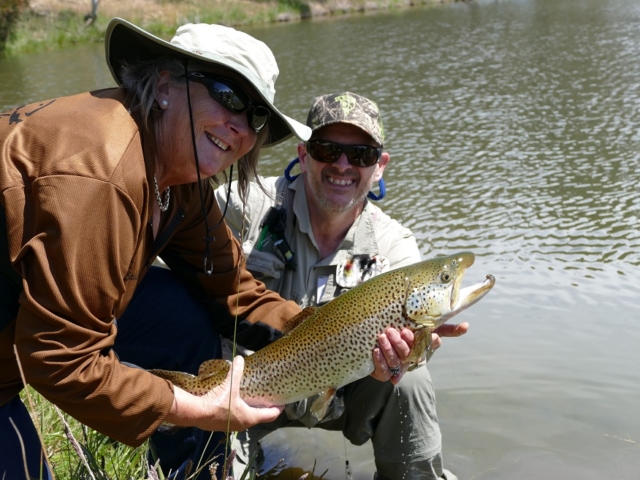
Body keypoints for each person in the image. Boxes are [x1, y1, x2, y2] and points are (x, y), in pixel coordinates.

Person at [0, 20, 416, 480]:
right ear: (163, 84)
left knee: (180, 312)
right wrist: (194, 406)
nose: (240, 125)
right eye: (228, 94)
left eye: (256, 114)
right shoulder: (103, 174)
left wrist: (338, 332)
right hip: (17, 360)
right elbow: (61, 359)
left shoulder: (177, 180)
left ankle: (199, 473)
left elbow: (233, 292)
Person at [215, 92, 469, 480]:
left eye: (362, 155)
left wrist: (411, 355)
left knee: (410, 382)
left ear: (380, 166)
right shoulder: (245, 205)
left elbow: (412, 347)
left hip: (346, 394)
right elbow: (169, 257)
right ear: (303, 155)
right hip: (250, 387)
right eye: (327, 149)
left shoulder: (394, 246)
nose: (343, 165)